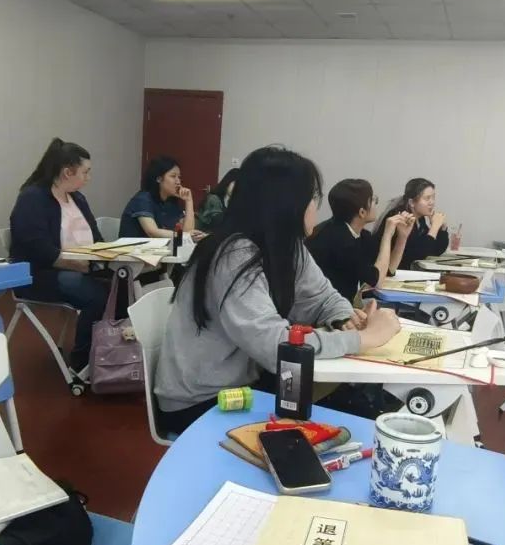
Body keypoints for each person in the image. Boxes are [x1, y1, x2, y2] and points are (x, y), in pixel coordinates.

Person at [154, 146, 402, 434]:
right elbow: (275, 348)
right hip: (202, 402)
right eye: (312, 199)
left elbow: (322, 296)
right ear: (287, 204)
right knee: (356, 422)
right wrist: (364, 338)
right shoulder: (234, 255)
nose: (315, 208)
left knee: (359, 409)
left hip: (249, 380)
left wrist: (346, 317)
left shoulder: (288, 246)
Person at [9, 139, 107, 372]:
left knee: (122, 288)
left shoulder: (78, 199)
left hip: (80, 269)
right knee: (97, 295)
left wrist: (107, 256)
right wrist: (78, 265)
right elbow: (38, 249)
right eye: (85, 172)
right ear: (67, 172)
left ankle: (109, 353)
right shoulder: (33, 198)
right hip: (39, 275)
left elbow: (97, 239)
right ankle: (82, 363)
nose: (88, 178)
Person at [306, 178, 415, 303]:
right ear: (362, 212)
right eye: (373, 200)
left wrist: (402, 237)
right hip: (323, 307)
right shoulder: (339, 240)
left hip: (341, 304)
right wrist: (387, 234)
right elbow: (376, 281)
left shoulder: (361, 235)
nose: (376, 203)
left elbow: (387, 271)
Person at [378, 178, 449, 270]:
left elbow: (434, 251)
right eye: (427, 198)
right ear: (411, 202)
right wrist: (434, 228)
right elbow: (417, 255)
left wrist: (442, 229)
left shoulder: (420, 219)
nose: (432, 202)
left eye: (433, 197)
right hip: (390, 272)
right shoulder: (402, 217)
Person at [118, 156, 196, 239]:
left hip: (158, 246)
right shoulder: (143, 199)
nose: (178, 181)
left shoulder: (170, 202)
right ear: (159, 179)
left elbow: (187, 232)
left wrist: (189, 201)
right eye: (173, 176)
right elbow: (152, 232)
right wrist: (184, 235)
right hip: (133, 246)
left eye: (179, 177)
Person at [196, 168, 238, 232]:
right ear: (228, 181)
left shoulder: (234, 200)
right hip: (205, 234)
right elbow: (218, 222)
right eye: (235, 184)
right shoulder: (213, 198)